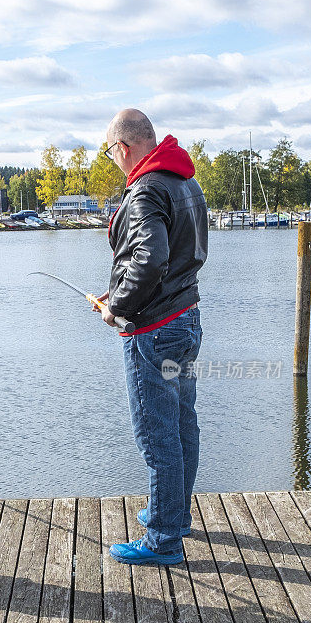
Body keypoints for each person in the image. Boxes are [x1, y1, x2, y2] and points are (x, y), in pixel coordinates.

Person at [97, 109, 208, 566]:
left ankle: (163, 538)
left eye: (111, 152)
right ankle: (173, 515)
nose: (114, 161)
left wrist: (117, 307)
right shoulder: (184, 180)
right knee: (182, 422)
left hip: (154, 330)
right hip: (186, 317)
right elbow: (178, 254)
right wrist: (120, 291)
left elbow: (150, 259)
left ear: (124, 148)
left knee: (156, 434)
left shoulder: (145, 189)